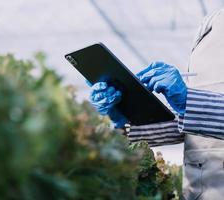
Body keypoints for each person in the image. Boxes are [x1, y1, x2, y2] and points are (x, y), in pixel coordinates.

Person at [88, 9, 224, 200]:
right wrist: (125, 119)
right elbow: (192, 128)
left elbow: (195, 109)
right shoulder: (212, 23)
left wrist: (188, 102)